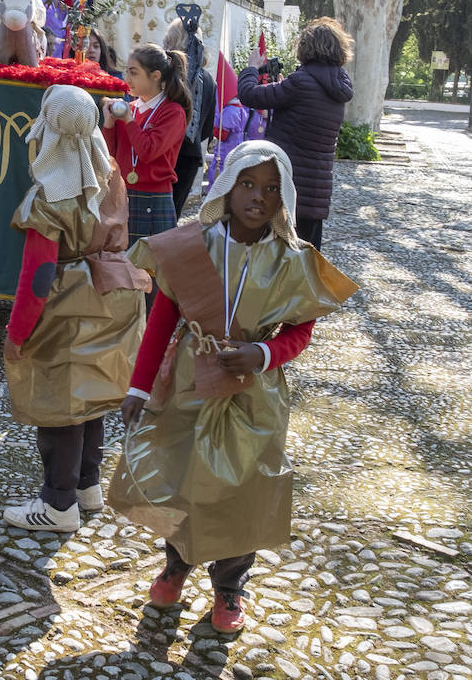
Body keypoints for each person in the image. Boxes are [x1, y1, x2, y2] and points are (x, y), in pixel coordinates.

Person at [108, 139, 357, 633]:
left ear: (283, 195)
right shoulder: (191, 245)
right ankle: (175, 565)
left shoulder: (293, 259)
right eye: (247, 183)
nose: (257, 196)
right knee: (179, 475)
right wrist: (138, 387)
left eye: (269, 188)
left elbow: (301, 330)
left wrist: (263, 354)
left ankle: (229, 587)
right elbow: (163, 318)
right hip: (186, 383)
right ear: (227, 185)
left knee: (242, 486)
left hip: (252, 393)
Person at [3, 85, 149, 532]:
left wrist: (16, 333)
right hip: (112, 295)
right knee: (90, 395)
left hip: (67, 303)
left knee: (59, 403)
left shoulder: (50, 195)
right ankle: (88, 486)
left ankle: (58, 502)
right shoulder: (108, 177)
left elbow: (38, 274)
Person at [237, 17, 354, 250]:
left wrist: (251, 67)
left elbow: (250, 94)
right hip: (316, 189)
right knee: (304, 258)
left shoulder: (301, 83)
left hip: (288, 185)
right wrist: (284, 88)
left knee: (275, 258)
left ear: (306, 48)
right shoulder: (338, 85)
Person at [100, 44, 191, 249]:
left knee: (151, 271)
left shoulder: (173, 112)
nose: (127, 79)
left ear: (155, 75)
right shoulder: (130, 108)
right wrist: (109, 124)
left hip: (154, 198)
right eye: (127, 72)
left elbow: (148, 151)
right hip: (124, 195)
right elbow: (110, 156)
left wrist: (129, 121)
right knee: (123, 267)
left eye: (134, 73)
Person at [163, 18, 215, 217]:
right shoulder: (208, 79)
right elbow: (207, 128)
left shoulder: (169, 75)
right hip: (190, 155)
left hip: (164, 151)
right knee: (172, 216)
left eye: (168, 41)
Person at [208, 97, 248, 184]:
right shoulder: (242, 109)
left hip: (225, 148)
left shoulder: (229, 111)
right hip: (237, 144)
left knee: (220, 170)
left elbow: (222, 135)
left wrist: (214, 126)